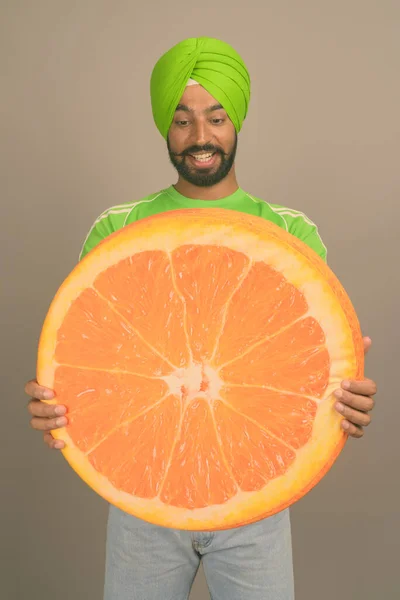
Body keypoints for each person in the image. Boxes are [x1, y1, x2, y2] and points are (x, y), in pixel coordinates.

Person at [25, 37, 377, 600]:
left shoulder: (291, 233)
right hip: (145, 500)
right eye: (182, 120)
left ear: (236, 121)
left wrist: (348, 402)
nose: (200, 138)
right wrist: (58, 406)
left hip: (255, 501)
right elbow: (95, 366)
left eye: (216, 118)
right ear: (165, 128)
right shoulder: (119, 229)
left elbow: (314, 365)